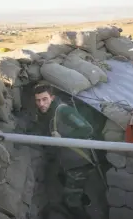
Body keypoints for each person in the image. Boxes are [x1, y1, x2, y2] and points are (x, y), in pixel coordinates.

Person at [26, 84, 94, 219]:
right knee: (67, 192)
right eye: (38, 100)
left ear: (52, 97)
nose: (41, 103)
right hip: (66, 162)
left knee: (71, 200)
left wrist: (63, 138)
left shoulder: (63, 111)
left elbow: (87, 129)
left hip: (77, 162)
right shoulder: (46, 113)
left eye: (45, 99)